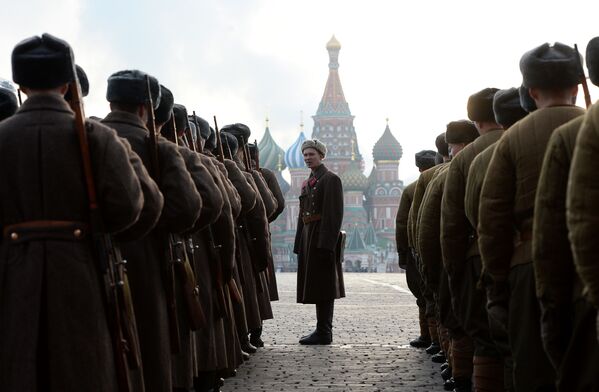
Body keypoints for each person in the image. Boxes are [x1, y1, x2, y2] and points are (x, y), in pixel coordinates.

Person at [0, 33, 146, 391]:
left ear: (20, 83)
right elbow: (129, 205)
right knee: (83, 368)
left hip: (11, 271)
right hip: (81, 269)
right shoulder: (96, 136)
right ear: (68, 83)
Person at [478, 42, 584, 391]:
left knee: (533, 370)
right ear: (576, 86)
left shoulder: (511, 140)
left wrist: (496, 282)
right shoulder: (591, 126)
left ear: (531, 90)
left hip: (527, 267)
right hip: (589, 266)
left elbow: (492, 219)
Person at [102, 69, 202, 392]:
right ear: (146, 108)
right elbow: (189, 206)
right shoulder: (158, 147)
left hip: (96, 257)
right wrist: (153, 227)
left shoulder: (89, 136)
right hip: (148, 257)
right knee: (151, 344)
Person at [440, 88, 505, 390]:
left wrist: (452, 271)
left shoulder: (465, 160)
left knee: (484, 335)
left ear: (476, 122)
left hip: (477, 257)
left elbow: (449, 223)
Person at [295, 139, 344, 345]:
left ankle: (324, 331)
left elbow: (333, 215)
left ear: (321, 156)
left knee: (324, 285)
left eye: (311, 154)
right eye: (305, 155)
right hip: (309, 236)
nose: (307, 158)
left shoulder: (330, 179)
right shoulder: (308, 181)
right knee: (316, 284)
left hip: (321, 237)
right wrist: (299, 242)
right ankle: (320, 328)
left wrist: (326, 245)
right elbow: (301, 214)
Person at [395, 150, 436, 348]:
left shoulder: (411, 189)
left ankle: (427, 335)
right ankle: (440, 343)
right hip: (440, 246)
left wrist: (402, 252)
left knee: (422, 294)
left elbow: (402, 222)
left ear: (419, 167)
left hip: (416, 249)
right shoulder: (446, 178)